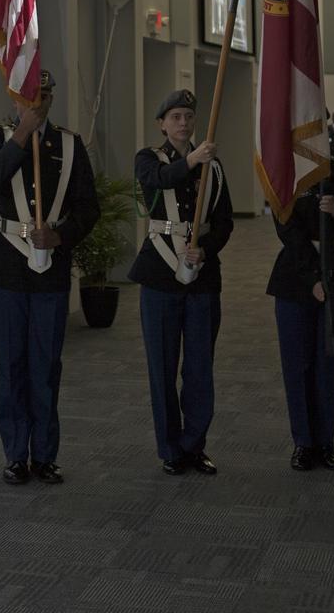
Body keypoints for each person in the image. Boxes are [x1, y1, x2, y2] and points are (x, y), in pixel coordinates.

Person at [0, 69, 99, 485]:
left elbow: (88, 208)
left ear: (51, 98)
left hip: (50, 269)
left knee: (45, 366)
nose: (37, 102)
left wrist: (61, 235)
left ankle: (44, 455)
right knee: (11, 366)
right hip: (7, 268)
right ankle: (15, 455)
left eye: (43, 95)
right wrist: (22, 134)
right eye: (29, 95)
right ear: (15, 98)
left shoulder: (69, 144)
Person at [130, 89, 233, 475]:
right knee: (162, 367)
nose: (183, 123)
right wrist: (192, 160)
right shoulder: (148, 159)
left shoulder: (214, 167)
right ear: (162, 124)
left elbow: (224, 222)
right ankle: (170, 448)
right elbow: (159, 181)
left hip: (202, 278)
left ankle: (194, 444)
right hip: (159, 276)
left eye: (188, 116)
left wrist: (205, 250)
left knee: (200, 366)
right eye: (175, 117)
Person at [267, 161, 334, 471]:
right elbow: (286, 228)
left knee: (331, 364)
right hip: (296, 275)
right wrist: (313, 277)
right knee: (297, 364)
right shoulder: (285, 170)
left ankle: (326, 441)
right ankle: (303, 442)